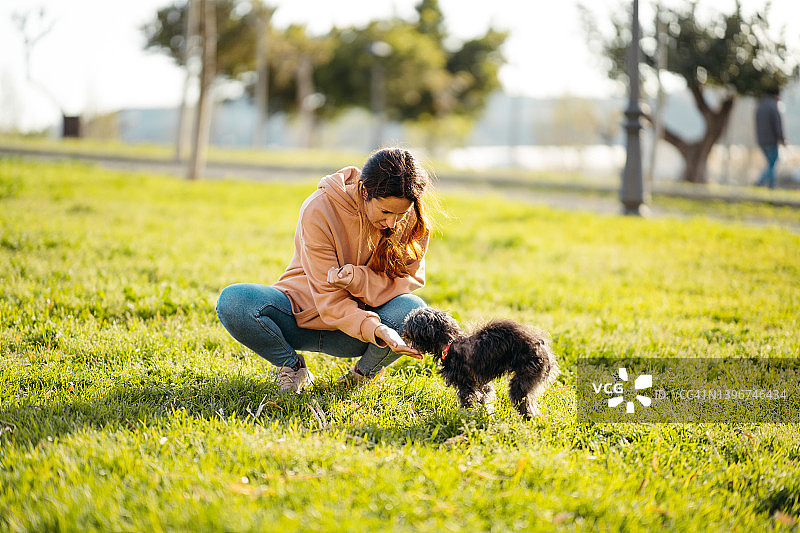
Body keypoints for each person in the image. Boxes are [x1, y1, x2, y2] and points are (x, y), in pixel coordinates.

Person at [216, 148, 432, 392]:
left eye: (400, 214)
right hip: (300, 318)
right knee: (235, 301)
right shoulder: (319, 208)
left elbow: (408, 280)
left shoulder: (413, 221)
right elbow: (329, 299)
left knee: (414, 311)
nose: (392, 223)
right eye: (385, 212)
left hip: (356, 334)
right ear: (364, 190)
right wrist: (378, 328)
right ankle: (292, 366)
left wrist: (358, 280)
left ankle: (362, 376)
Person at [755, 88, 786, 189]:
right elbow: (777, 124)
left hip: (761, 140)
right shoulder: (773, 106)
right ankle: (761, 183)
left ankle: (770, 185)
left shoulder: (761, 105)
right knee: (772, 163)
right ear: (776, 95)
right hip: (771, 140)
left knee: (771, 163)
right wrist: (781, 138)